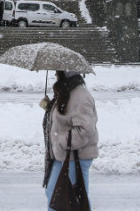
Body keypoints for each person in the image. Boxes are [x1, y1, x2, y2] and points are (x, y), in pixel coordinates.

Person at [43, 70, 98, 210]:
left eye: (58, 71)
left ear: (66, 74)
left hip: (76, 156)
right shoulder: (67, 92)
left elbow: (85, 129)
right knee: (58, 195)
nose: (55, 74)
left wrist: (62, 142)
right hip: (64, 155)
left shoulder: (80, 96)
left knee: (70, 198)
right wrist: (50, 108)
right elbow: (64, 117)